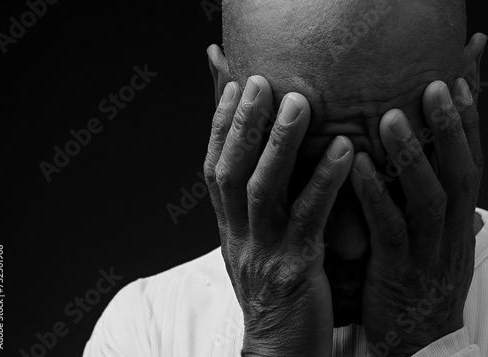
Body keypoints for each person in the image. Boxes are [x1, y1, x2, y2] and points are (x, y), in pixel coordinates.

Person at [83, 0, 488, 356]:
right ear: (226, 96)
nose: (349, 246)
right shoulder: (147, 329)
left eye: (397, 171)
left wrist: (429, 335)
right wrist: (271, 341)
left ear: (467, 86)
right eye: (304, 171)